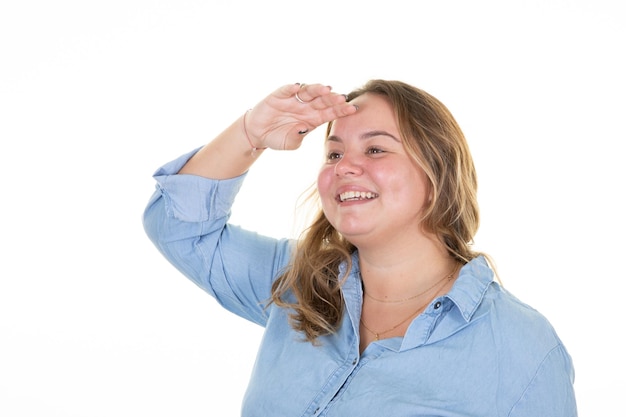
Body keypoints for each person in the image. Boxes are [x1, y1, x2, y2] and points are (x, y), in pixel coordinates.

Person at [143, 80, 577, 416]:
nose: (346, 166)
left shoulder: (524, 349)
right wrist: (249, 133)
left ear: (437, 174)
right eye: (333, 154)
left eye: (375, 149)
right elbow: (179, 228)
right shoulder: (297, 280)